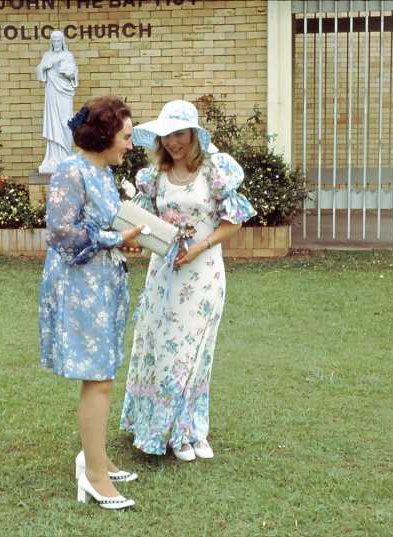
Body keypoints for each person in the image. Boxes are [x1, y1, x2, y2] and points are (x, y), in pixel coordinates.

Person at [119, 100, 256, 462]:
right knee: (165, 351)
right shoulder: (154, 177)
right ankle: (167, 432)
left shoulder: (215, 171)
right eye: (166, 135)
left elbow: (234, 221)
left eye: (179, 134)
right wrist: (133, 240)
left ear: (193, 134)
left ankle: (194, 430)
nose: (173, 142)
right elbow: (144, 225)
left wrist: (199, 248)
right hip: (164, 274)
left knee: (196, 353)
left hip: (204, 274)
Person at [39, 96, 144, 510]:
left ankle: (96, 457)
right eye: (126, 136)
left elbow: (101, 225)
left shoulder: (103, 172)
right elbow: (61, 233)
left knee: (104, 374)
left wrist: (124, 241)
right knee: (97, 376)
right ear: (105, 135)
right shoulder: (71, 170)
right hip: (80, 287)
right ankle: (94, 475)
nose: (130, 145)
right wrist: (115, 238)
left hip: (104, 284)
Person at [36, 31, 78, 174]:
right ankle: (53, 159)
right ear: (51, 42)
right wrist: (45, 66)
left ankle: (66, 155)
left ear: (62, 41)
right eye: (53, 41)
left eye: (58, 40)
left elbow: (74, 73)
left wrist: (70, 74)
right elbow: (40, 70)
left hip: (65, 94)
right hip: (52, 94)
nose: (56, 43)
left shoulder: (68, 55)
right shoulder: (47, 55)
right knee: (53, 123)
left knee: (65, 124)